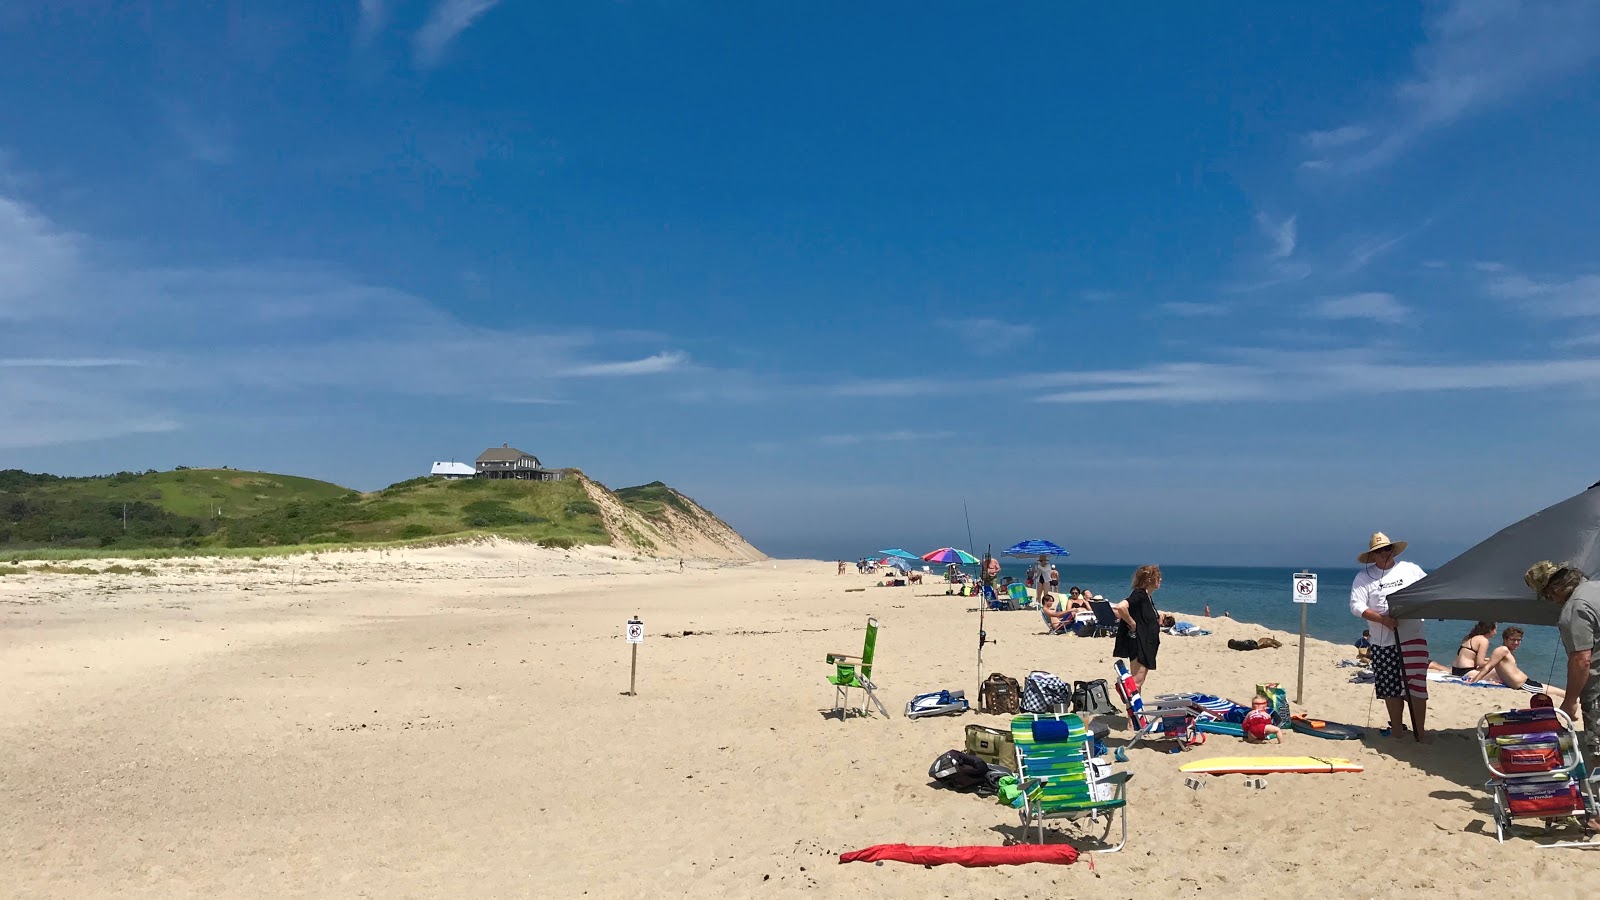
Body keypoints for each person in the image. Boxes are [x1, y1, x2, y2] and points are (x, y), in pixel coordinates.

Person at [1525, 560, 1600, 806]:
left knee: (1598, 751)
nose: (1549, 601)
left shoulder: (1574, 609)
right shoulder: (1596, 589)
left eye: (1546, 596)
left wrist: (1570, 702)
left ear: (1554, 589)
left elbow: (1581, 660)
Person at [1348, 532, 1431, 742]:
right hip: (1382, 640)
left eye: (1387, 549)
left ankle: (1420, 732)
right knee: (1390, 688)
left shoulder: (1410, 569)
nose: (1384, 553)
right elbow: (1356, 606)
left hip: (1412, 637)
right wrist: (1381, 619)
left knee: (1416, 687)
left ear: (1393, 550)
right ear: (1372, 555)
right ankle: (1397, 730)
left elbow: (1428, 591)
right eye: (1378, 551)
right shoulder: (1364, 577)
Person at [1465, 627, 1566, 701]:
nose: (1516, 643)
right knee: (1562, 693)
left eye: (1519, 640)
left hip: (1527, 683)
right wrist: (1475, 681)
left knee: (1559, 692)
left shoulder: (1507, 652)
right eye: (1513, 640)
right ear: (1505, 639)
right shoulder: (1502, 650)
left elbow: (1503, 670)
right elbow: (1488, 667)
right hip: (1525, 686)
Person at [1112, 564, 1162, 690]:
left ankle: (1136, 709)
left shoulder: (1147, 597)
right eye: (1158, 577)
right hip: (1140, 644)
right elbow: (1121, 607)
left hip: (1145, 643)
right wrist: (1132, 623)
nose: (1160, 580)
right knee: (1137, 681)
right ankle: (1125, 689)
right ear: (1150, 579)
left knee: (1137, 681)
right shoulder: (1140, 594)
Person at [1429, 621, 1494, 676]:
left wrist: (1488, 660)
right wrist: (1494, 662)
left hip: (1455, 670)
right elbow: (1480, 663)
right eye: (1495, 630)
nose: (1495, 632)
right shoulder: (1484, 640)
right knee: (1496, 669)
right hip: (1466, 671)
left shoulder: (1472, 638)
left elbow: (1471, 657)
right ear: (1490, 630)